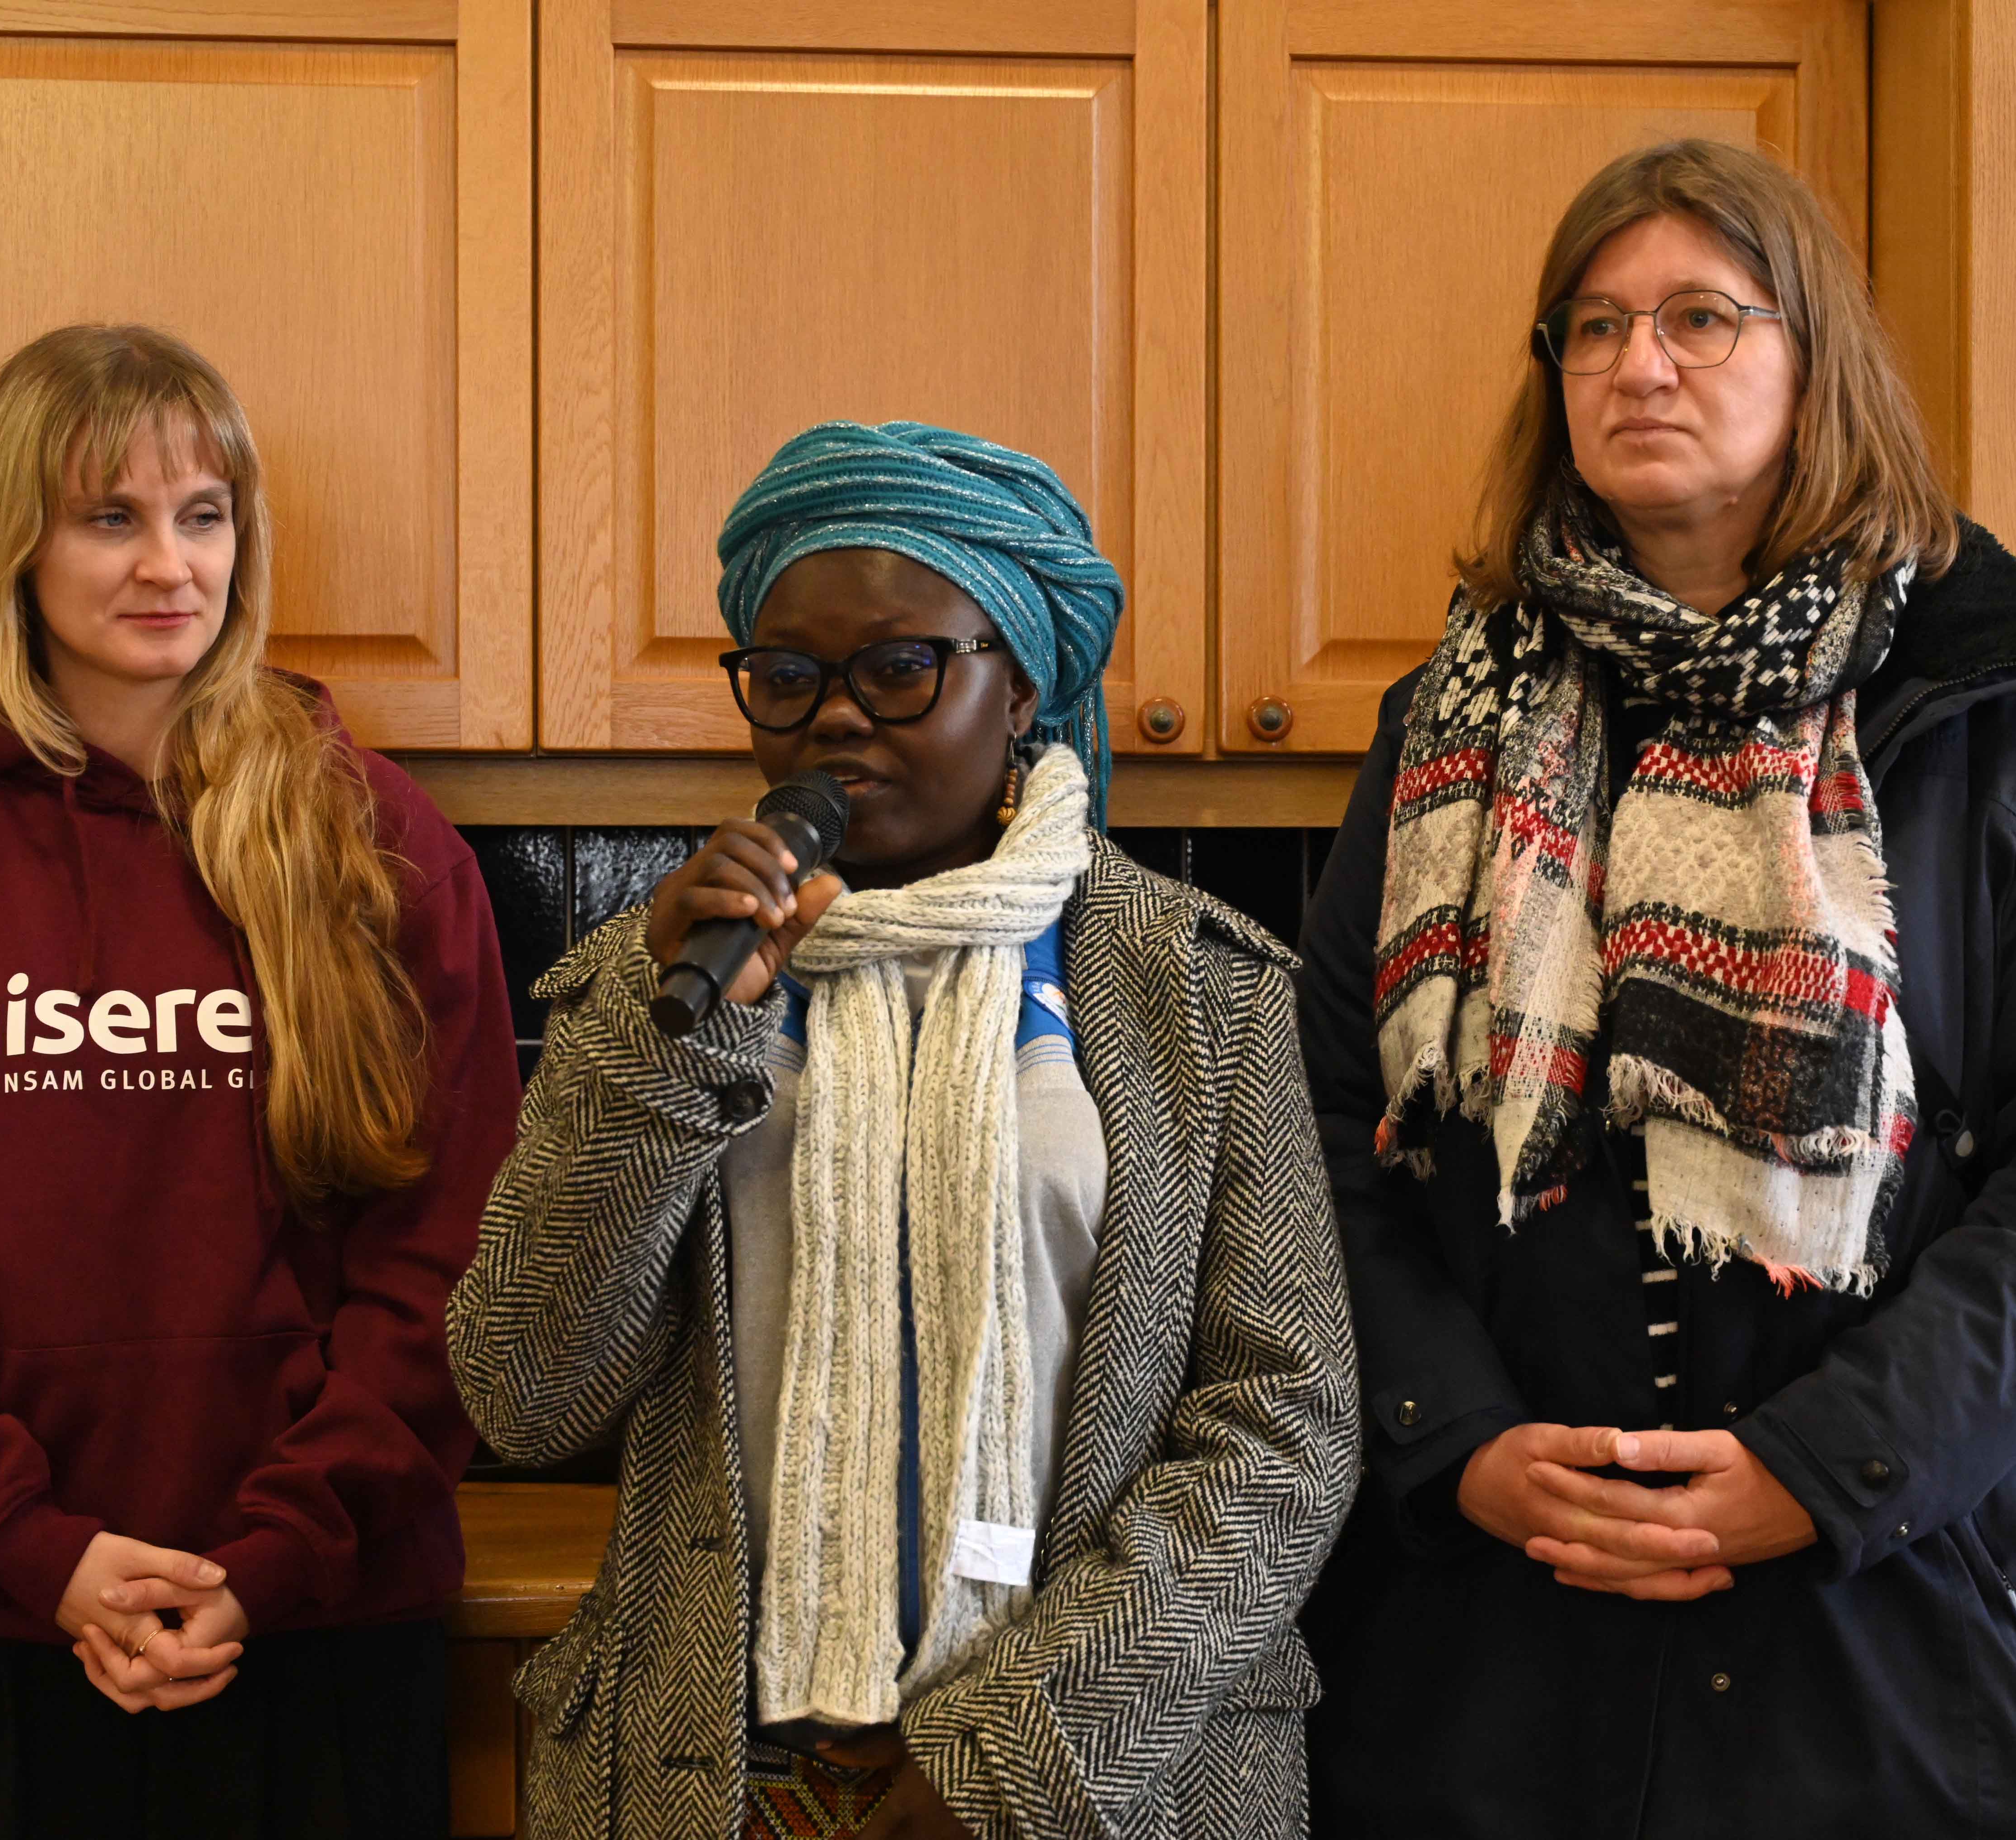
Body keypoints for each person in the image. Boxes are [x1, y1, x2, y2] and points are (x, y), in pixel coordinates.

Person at [1298, 139, 2016, 1838]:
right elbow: (1328, 1132)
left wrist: (1825, 1466)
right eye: (1593, 326)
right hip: (1495, 1652)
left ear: (1812, 358)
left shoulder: (1994, 708)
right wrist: (1456, 1441)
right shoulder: (1441, 726)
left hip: (1901, 1631)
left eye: (1699, 316)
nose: (1638, 364)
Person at [449, 419, 1357, 1840]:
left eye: (897, 668)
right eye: (787, 675)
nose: (833, 717)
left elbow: (1283, 1426)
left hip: (1097, 1780)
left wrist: (1018, 1756)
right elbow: (525, 1390)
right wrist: (664, 1048)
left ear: (1020, 689)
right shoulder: (661, 982)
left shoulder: (1196, 992)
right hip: (713, 1773)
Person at [0, 324, 521, 1838]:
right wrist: (36, 1549)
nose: (172, 564)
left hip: (318, 1622)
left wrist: (274, 1554)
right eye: (112, 516)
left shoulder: (376, 838)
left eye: (203, 513)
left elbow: (456, 1251)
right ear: (16, 545)